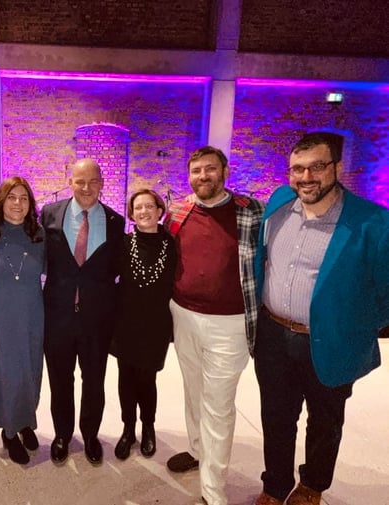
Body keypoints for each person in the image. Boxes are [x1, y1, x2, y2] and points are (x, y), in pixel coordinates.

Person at [253, 133, 389, 505]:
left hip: (329, 339)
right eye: (297, 168)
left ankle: (312, 485)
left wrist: (353, 324)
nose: (306, 177)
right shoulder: (280, 203)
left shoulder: (372, 222)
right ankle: (275, 485)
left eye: (317, 166)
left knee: (325, 420)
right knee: (276, 417)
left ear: (336, 168)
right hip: (274, 334)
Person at [163, 146, 265, 505]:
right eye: (195, 171)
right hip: (184, 315)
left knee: (218, 404)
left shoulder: (250, 210)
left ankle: (214, 491)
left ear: (224, 171)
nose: (202, 176)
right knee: (193, 391)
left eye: (209, 169)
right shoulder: (178, 210)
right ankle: (196, 449)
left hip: (231, 324)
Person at [41, 158, 125, 466]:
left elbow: (117, 270)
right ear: (70, 181)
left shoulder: (116, 222)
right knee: (59, 380)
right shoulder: (49, 214)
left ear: (102, 183)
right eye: (80, 181)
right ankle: (62, 434)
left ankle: (90, 434)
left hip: (96, 320)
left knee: (94, 380)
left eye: (92, 181)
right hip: (57, 317)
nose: (86, 188)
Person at [0, 176, 45, 465]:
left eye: (24, 198)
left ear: (30, 204)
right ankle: (8, 429)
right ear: (0, 202)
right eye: (11, 197)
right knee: (7, 372)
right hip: (0, 316)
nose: (17, 203)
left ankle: (26, 420)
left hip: (32, 314)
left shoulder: (40, 235)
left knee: (31, 371)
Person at [112, 189, 177, 461]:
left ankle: (148, 426)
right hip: (125, 323)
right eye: (138, 207)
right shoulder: (124, 243)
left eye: (149, 206)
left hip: (156, 324)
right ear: (132, 213)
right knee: (126, 378)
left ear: (160, 210)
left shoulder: (172, 244)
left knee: (147, 378)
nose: (144, 211)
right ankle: (128, 429)